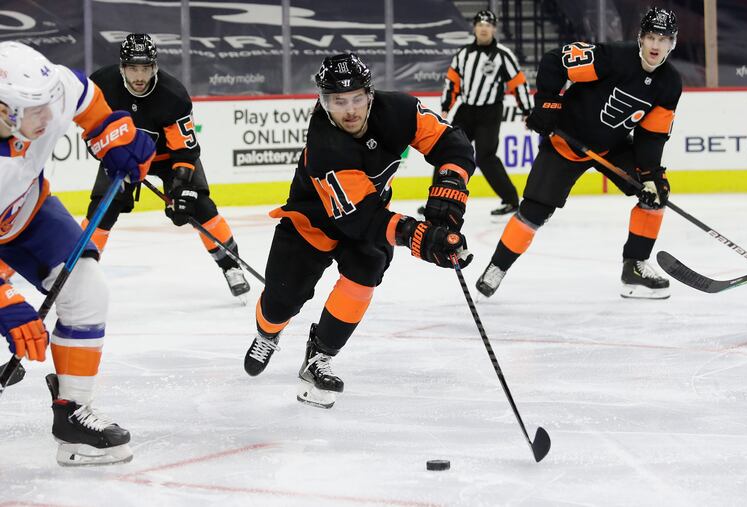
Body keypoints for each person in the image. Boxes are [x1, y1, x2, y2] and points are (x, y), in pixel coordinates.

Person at [243, 53, 475, 409]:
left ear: (369, 94)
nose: (349, 110)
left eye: (356, 99)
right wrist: (420, 237)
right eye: (338, 101)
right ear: (324, 102)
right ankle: (268, 334)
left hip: (365, 222)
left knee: (367, 270)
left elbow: (453, 143)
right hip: (312, 224)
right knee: (279, 304)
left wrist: (449, 192)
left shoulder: (397, 110)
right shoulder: (326, 144)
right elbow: (361, 219)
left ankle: (319, 357)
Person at [0, 41, 155, 465]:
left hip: (26, 212)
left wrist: (114, 138)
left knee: (87, 291)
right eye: (35, 110)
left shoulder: (48, 91)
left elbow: (92, 105)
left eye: (49, 104)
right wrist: (4, 300)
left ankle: (71, 416)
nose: (49, 117)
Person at [475, 7, 681, 300]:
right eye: (650, 37)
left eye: (663, 39)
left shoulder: (670, 83)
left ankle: (634, 265)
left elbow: (652, 135)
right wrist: (548, 105)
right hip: (566, 144)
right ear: (640, 39)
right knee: (534, 212)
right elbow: (554, 62)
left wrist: (649, 176)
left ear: (672, 43)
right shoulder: (611, 57)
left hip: (610, 147)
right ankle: (497, 266)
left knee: (657, 193)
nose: (655, 45)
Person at [83, 33, 250, 301]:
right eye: (133, 68)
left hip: (168, 159)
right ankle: (80, 273)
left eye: (145, 68)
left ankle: (231, 265)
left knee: (199, 206)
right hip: (121, 158)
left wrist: (182, 186)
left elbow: (184, 150)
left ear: (155, 67)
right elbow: (91, 129)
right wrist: (109, 153)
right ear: (122, 67)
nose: (139, 76)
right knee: (101, 211)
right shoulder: (101, 85)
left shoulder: (173, 95)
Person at [421, 9, 532, 219]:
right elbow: (452, 81)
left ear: (494, 29)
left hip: (490, 111)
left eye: (488, 25)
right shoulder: (464, 54)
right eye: (480, 24)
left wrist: (527, 111)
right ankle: (438, 199)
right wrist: (446, 105)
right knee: (446, 149)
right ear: (474, 27)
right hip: (466, 109)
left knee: (486, 156)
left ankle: (511, 200)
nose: (483, 28)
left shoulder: (503, 55)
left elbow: (518, 84)